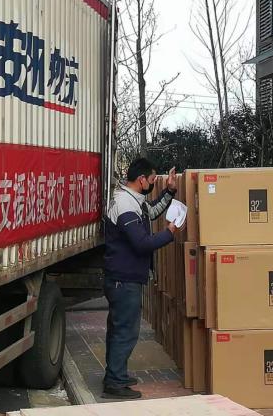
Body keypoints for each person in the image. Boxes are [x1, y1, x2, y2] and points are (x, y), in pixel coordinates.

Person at [102, 158, 178, 400]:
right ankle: (114, 383)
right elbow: (142, 243)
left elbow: (151, 211)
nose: (153, 183)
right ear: (142, 179)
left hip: (122, 277)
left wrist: (170, 191)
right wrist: (169, 233)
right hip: (123, 280)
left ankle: (116, 375)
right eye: (153, 179)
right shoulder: (125, 204)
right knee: (125, 331)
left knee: (118, 329)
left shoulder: (133, 200)